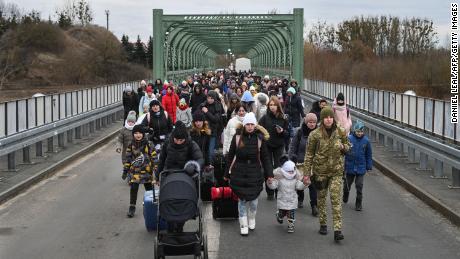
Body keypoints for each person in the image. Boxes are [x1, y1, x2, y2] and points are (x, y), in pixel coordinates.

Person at [302, 106, 351, 241]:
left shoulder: (340, 131)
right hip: (320, 172)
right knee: (321, 200)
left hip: (336, 171)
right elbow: (309, 155)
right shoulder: (315, 134)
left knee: (335, 200)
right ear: (322, 119)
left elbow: (348, 146)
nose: (328, 120)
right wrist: (306, 174)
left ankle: (337, 229)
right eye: (326, 117)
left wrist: (343, 147)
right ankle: (323, 224)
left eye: (330, 117)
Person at [224, 112, 273, 236]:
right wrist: (226, 173)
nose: (250, 126)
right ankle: (243, 224)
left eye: (252, 124)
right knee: (241, 200)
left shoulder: (260, 139)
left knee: (254, 200)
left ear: (255, 125)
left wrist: (269, 174)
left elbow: (265, 157)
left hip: (255, 172)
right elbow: (230, 156)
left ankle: (252, 218)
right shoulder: (237, 137)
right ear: (244, 125)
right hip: (239, 171)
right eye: (248, 124)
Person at [157, 121, 204, 233]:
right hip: (169, 175)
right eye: (176, 140)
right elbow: (161, 160)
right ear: (173, 137)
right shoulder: (167, 143)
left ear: (185, 138)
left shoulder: (191, 144)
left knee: (183, 200)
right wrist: (157, 175)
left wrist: (193, 166)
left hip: (185, 175)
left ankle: (180, 225)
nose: (178, 142)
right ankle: (170, 225)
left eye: (181, 140)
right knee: (168, 200)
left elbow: (200, 159)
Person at [258, 96, 289, 200]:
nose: (272, 107)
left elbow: (288, 134)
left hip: (279, 145)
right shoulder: (265, 118)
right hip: (266, 145)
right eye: (270, 105)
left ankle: (277, 189)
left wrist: (282, 132)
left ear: (278, 106)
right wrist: (262, 137)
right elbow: (259, 130)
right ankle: (270, 191)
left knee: (278, 168)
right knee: (268, 167)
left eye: (274, 105)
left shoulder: (283, 118)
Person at [267, 156, 308, 233]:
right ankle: (279, 215)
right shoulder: (279, 177)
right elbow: (273, 186)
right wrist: (270, 182)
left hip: (292, 200)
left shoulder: (295, 178)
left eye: (292, 171)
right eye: (289, 171)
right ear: (284, 170)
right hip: (282, 200)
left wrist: (305, 184)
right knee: (282, 213)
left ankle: (290, 225)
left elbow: (299, 186)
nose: (291, 173)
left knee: (291, 213)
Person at [288, 113, 318, 216]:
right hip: (300, 163)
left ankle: (314, 205)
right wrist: (292, 158)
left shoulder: (319, 133)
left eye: (314, 122)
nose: (312, 124)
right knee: (300, 184)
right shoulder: (300, 132)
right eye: (310, 122)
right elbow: (293, 146)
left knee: (312, 185)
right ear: (306, 122)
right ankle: (300, 198)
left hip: (314, 164)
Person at [123, 125, 156, 218]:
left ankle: (152, 206)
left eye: (140, 133)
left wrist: (156, 169)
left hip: (146, 171)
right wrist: (125, 170)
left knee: (149, 190)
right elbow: (128, 158)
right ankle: (132, 207)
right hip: (135, 171)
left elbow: (154, 156)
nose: (138, 135)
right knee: (133, 188)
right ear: (133, 134)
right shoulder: (130, 144)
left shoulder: (148, 143)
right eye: (136, 133)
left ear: (143, 134)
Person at [343, 120, 372, 211]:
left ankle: (358, 203)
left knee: (359, 185)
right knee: (347, 185)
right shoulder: (349, 139)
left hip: (361, 167)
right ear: (354, 131)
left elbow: (368, 155)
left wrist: (369, 166)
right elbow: (344, 152)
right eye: (358, 131)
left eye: (361, 132)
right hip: (350, 166)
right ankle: (345, 194)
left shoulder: (366, 141)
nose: (359, 133)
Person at [201, 90, 224, 164]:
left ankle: (211, 166)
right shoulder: (204, 104)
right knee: (203, 150)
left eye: (211, 98)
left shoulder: (218, 105)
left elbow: (215, 119)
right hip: (204, 131)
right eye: (208, 98)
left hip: (213, 131)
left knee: (211, 152)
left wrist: (207, 112)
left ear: (214, 98)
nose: (209, 100)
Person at [116, 111, 136, 180]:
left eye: (132, 122)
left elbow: (142, 137)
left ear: (134, 122)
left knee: (135, 163)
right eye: (129, 121)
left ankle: (133, 174)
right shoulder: (123, 130)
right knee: (126, 163)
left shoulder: (136, 130)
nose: (130, 123)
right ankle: (126, 172)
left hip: (135, 151)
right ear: (126, 121)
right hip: (126, 151)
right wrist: (118, 147)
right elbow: (119, 140)